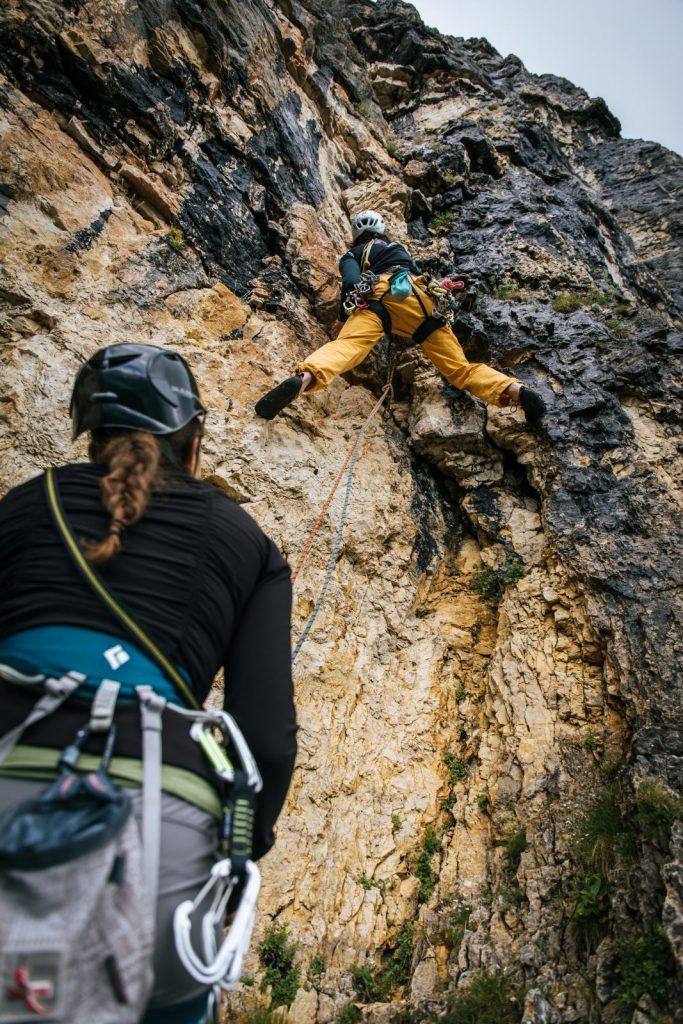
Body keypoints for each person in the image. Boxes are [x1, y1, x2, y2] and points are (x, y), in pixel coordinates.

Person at [0, 343, 297, 1023]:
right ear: (193, 447)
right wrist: (241, 845)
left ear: (92, 441)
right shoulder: (244, 540)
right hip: (165, 827)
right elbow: (268, 744)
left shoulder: (23, 506)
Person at [256, 209, 547, 424]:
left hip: (379, 301)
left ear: (356, 236)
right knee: (460, 369)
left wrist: (348, 311)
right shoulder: (400, 250)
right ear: (383, 230)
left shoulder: (354, 253)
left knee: (348, 347)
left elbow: (350, 282)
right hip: (422, 304)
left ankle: (305, 378)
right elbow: (421, 281)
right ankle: (514, 390)